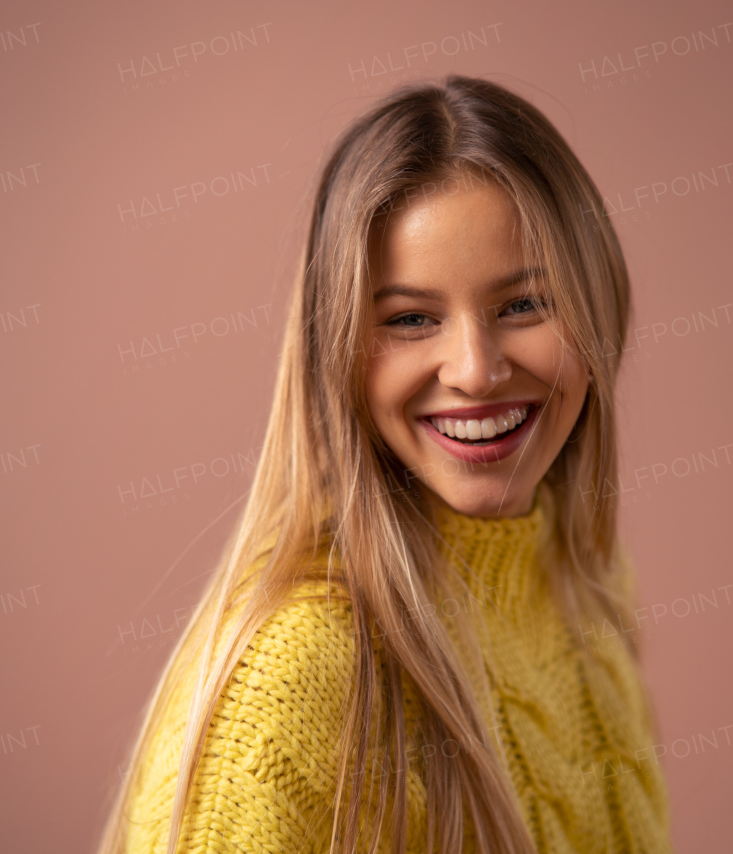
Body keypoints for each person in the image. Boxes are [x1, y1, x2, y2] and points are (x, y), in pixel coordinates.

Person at [96, 74, 672, 854]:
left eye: (524, 304)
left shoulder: (587, 582)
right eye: (409, 319)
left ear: (599, 307)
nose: (474, 369)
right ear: (336, 356)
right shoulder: (287, 682)